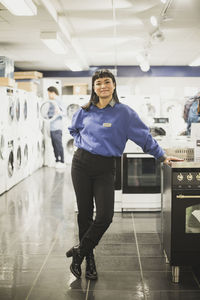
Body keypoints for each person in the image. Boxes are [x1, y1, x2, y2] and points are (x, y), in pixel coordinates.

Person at [66, 69, 183, 280]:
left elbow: (144, 138)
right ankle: (88, 258)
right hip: (81, 164)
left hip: (105, 167)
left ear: (114, 85)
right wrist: (83, 143)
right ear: (93, 87)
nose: (103, 86)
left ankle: (79, 251)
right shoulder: (85, 110)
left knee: (104, 216)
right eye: (98, 83)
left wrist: (162, 156)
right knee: (84, 213)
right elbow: (73, 130)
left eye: (107, 82)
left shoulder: (124, 113)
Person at [47, 86, 65, 168]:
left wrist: (59, 112)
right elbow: (49, 114)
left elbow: (64, 113)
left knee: (58, 145)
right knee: (54, 145)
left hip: (57, 127)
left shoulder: (59, 101)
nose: (48, 95)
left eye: (49, 93)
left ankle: (62, 161)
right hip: (52, 127)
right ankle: (57, 161)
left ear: (53, 93)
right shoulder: (51, 102)